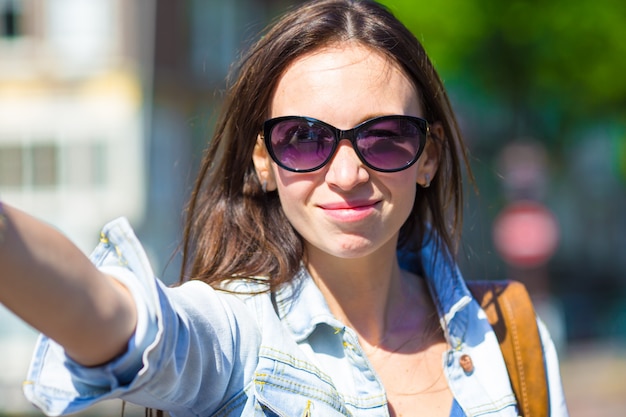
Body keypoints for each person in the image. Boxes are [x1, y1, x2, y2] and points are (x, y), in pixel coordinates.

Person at [0, 0, 568, 416]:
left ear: (428, 157)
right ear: (264, 163)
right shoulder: (233, 336)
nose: (348, 175)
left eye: (386, 136)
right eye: (304, 139)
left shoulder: (508, 336)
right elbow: (111, 318)